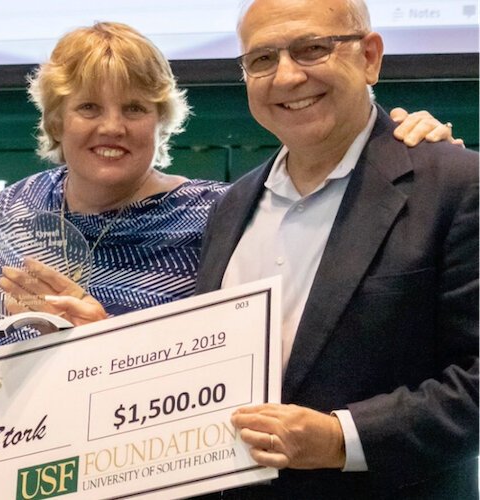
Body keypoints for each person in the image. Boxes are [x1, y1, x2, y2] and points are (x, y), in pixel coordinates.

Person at [0, 23, 456, 350]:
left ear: (161, 120)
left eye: (135, 108)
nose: (111, 128)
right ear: (55, 118)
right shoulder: (8, 205)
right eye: (88, 107)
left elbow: (234, 370)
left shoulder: (222, 217)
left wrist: (407, 136)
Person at [193, 0, 478, 497]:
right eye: (261, 60)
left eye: (311, 49)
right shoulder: (230, 207)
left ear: (369, 57)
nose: (285, 77)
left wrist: (340, 439)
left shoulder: (457, 186)